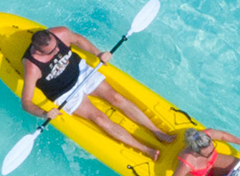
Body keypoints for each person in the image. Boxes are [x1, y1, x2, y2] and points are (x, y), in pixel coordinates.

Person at [20, 26, 175, 161]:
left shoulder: (60, 33)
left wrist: (98, 53)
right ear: (38, 51)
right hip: (64, 92)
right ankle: (146, 150)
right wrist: (45, 113)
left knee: (116, 98)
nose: (57, 51)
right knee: (99, 118)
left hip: (81, 71)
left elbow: (79, 40)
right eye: (51, 52)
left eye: (56, 47)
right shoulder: (32, 67)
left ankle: (157, 132)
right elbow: (26, 103)